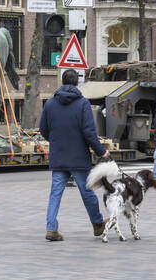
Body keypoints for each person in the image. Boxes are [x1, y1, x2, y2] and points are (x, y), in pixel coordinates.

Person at [39, 69, 110, 242]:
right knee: (87, 192)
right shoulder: (82, 103)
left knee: (55, 193)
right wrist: (102, 151)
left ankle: (51, 228)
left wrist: (55, 140)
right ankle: (97, 224)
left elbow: (43, 129)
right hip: (78, 157)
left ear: (62, 82)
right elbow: (89, 132)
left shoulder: (49, 103)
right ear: (77, 82)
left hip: (59, 155)